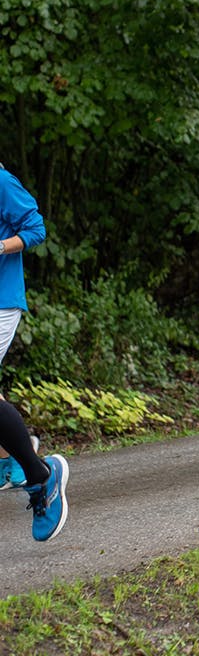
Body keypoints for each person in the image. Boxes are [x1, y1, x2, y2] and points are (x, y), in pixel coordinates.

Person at [0, 164, 67, 542]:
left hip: (1, 300)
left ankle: (42, 477)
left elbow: (35, 229)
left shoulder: (0, 182)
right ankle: (8, 458)